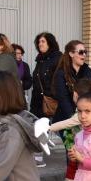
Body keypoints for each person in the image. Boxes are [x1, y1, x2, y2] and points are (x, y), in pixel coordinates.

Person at [31, 32, 62, 168]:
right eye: (39, 42)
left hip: (53, 100)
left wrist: (52, 95)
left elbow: (61, 80)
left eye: (43, 41)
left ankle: (75, 152)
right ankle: (38, 156)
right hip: (38, 100)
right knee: (39, 128)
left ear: (50, 43)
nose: (40, 44)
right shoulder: (40, 59)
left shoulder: (58, 58)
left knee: (63, 128)